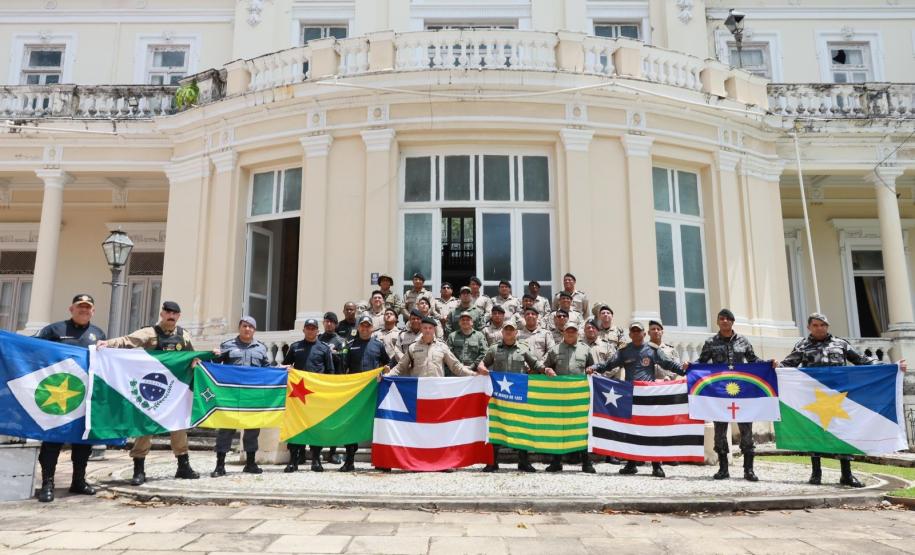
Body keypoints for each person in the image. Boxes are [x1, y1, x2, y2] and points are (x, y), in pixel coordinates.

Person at [779, 312, 907, 488]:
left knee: (844, 431)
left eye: (822, 325)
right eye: (815, 325)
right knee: (815, 431)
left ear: (827, 326)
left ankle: (846, 474)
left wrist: (892, 367)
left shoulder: (841, 344)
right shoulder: (801, 346)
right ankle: (816, 473)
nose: (819, 328)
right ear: (809, 327)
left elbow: (862, 361)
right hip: (814, 397)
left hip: (840, 397)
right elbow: (786, 366)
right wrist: (773, 368)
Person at [96, 301, 208, 486]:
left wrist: (198, 362)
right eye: (168, 312)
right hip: (151, 390)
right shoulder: (150, 333)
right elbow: (128, 341)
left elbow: (191, 356)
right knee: (145, 427)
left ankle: (183, 466)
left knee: (179, 427)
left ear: (179, 316)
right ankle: (139, 470)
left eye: (175, 313)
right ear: (162, 313)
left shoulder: (184, 335)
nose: (171, 316)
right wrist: (108, 344)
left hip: (174, 391)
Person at [33, 294, 106, 502]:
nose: (84, 310)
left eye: (87, 307)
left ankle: (78, 481)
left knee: (83, 440)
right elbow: (33, 350)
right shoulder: (54, 330)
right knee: (52, 440)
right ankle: (48, 483)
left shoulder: (97, 333)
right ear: (71, 309)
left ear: (93, 311)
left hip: (84, 395)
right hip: (58, 394)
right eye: (80, 307)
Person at [590, 321, 684, 478]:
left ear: (644, 334)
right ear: (630, 334)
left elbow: (668, 363)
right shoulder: (625, 351)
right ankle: (631, 464)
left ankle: (656, 465)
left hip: (648, 395)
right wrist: (595, 368)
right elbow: (609, 364)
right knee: (631, 430)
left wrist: (683, 370)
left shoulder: (653, 350)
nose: (635, 333)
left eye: (638, 331)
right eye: (633, 331)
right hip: (630, 395)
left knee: (652, 430)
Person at [687, 308, 768, 482]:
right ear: (718, 322)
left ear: (732, 322)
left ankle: (749, 470)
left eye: (727, 319)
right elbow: (701, 363)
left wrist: (769, 364)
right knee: (720, 431)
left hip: (741, 392)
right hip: (719, 393)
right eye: (721, 318)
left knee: (746, 430)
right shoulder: (710, 342)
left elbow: (753, 360)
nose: (724, 321)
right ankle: (723, 469)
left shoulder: (743, 341)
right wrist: (690, 366)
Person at [211, 316, 273, 478]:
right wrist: (211, 356)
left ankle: (250, 464)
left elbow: (266, 368)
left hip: (252, 396)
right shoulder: (227, 345)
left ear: (254, 330)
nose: (247, 329)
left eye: (251, 327)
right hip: (231, 396)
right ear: (240, 328)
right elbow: (215, 365)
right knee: (226, 429)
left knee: (252, 429)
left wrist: (281, 370)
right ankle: (220, 465)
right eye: (245, 326)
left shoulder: (261, 348)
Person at [478, 321, 544, 473]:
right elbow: (483, 363)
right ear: (502, 332)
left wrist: (545, 369)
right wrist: (481, 368)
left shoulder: (523, 349)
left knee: (521, 427)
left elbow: (535, 363)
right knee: (496, 426)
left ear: (516, 333)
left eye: (511, 330)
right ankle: (492, 462)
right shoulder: (494, 349)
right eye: (506, 329)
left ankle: (523, 462)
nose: (508, 332)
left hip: (519, 395)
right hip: (499, 396)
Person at [282, 318, 335, 472]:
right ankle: (293, 460)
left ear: (318, 331)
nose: (311, 330)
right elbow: (286, 366)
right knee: (295, 425)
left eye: (313, 328)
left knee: (316, 426)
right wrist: (287, 370)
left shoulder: (324, 349)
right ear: (304, 330)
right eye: (308, 328)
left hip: (316, 396)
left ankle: (316, 459)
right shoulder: (295, 347)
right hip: (297, 396)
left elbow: (330, 372)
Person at [541, 321, 595, 473]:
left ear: (578, 333)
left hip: (580, 397)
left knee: (582, 428)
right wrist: (547, 370)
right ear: (563, 332)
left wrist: (592, 370)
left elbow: (593, 368)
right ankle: (556, 461)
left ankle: (586, 462)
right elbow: (544, 366)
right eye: (568, 331)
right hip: (559, 397)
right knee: (558, 428)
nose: (570, 333)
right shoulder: (554, 349)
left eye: (573, 331)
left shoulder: (586, 349)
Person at [340, 315, 391, 471]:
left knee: (379, 425)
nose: (365, 328)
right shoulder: (349, 345)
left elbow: (387, 364)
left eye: (368, 326)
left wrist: (385, 370)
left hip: (374, 392)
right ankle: (349, 461)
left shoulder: (378, 345)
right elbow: (343, 369)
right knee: (352, 425)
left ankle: (382, 461)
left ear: (372, 328)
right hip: (355, 393)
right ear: (358, 327)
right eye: (362, 325)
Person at [388, 317, 489, 378]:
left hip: (437, 390)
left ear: (434, 330)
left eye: (430, 328)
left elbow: (456, 366)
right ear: (421, 329)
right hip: (418, 389)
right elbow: (400, 367)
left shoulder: (442, 347)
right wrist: (387, 376)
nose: (427, 330)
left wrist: (473, 375)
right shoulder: (412, 347)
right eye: (425, 328)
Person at [318, 312, 347, 464]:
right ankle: (317, 451)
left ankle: (333, 452)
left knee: (335, 419)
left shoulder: (341, 341)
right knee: (320, 418)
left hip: (336, 383)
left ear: (336, 324)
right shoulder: (318, 339)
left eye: (332, 322)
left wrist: (333, 354)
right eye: (326, 321)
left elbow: (344, 361)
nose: (329, 324)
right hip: (321, 384)